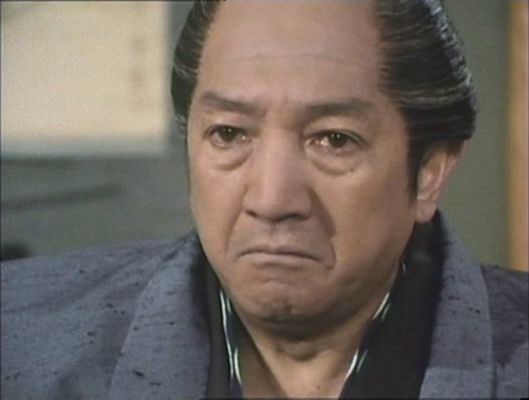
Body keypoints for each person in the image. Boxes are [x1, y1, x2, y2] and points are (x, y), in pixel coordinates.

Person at [2, 0, 527, 398]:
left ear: (429, 172)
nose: (272, 200)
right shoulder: (20, 344)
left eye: (334, 139)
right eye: (229, 134)